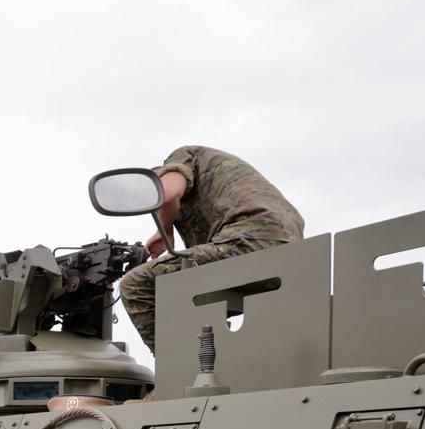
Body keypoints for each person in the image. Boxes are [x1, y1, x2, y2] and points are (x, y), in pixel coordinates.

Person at [118, 146, 304, 354]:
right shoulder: (211, 190)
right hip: (292, 256)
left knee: (136, 284)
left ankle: (175, 370)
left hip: (248, 241)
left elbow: (168, 195)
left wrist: (166, 230)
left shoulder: (182, 157)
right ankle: (216, 365)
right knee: (196, 296)